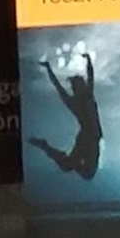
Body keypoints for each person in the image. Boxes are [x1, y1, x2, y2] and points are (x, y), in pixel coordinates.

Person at [28, 53, 102, 181]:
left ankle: (46, 147)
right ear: (75, 88)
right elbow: (58, 85)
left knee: (74, 168)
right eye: (76, 86)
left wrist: (89, 61)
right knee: (82, 172)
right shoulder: (77, 100)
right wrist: (48, 69)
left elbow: (90, 77)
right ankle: (46, 147)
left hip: (91, 138)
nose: (78, 88)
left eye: (79, 85)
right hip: (87, 138)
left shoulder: (86, 96)